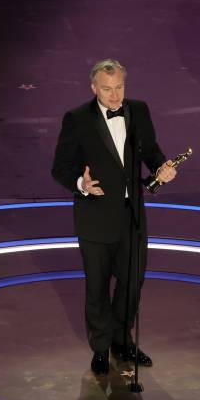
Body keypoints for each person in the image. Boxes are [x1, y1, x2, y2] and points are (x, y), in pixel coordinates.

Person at [51, 59, 176, 375]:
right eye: (107, 89)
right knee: (97, 288)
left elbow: (151, 152)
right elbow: (60, 167)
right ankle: (101, 348)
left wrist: (162, 168)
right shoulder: (77, 119)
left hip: (132, 216)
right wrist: (81, 184)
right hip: (94, 218)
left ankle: (123, 341)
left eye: (119, 87)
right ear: (94, 88)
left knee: (133, 282)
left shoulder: (139, 111)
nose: (115, 95)